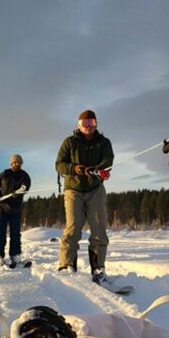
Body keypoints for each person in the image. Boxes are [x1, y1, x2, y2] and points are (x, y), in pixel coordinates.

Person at [55, 110, 114, 282]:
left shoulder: (104, 142)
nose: (88, 127)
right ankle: (67, 265)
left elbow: (108, 160)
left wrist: (99, 169)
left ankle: (98, 268)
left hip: (95, 190)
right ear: (78, 125)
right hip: (73, 190)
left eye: (92, 123)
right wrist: (75, 169)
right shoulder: (69, 142)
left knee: (99, 229)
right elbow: (59, 164)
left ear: (96, 124)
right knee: (73, 228)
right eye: (85, 123)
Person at [0, 154, 31, 267]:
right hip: (1, 209)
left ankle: (15, 255)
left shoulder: (24, 176)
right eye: (14, 162)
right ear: (11, 163)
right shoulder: (5, 174)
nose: (16, 164)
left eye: (18, 162)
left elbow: (26, 186)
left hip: (15, 210)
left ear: (21, 163)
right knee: (0, 233)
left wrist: (19, 191)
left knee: (15, 234)